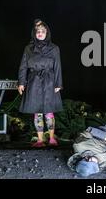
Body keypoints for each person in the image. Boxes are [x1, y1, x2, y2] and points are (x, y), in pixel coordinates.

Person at [18, 19, 63, 147]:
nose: (40, 33)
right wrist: (21, 83)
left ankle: (52, 138)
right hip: (34, 81)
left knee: (49, 111)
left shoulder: (54, 48)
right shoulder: (28, 48)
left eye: (43, 31)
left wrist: (58, 84)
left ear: (47, 33)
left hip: (49, 81)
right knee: (37, 112)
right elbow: (23, 66)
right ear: (34, 33)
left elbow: (58, 66)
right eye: (38, 31)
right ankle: (39, 140)